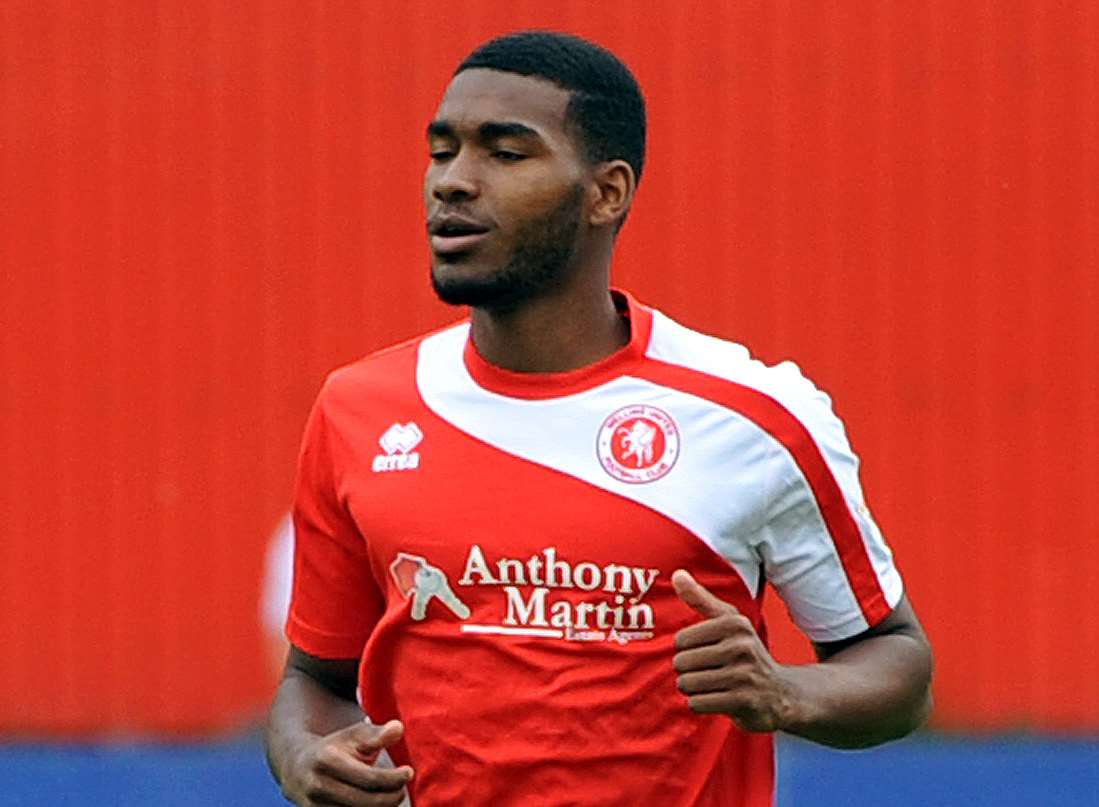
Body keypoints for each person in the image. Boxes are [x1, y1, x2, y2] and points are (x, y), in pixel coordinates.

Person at [264, 30, 933, 807]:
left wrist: (784, 693)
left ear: (605, 193)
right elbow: (313, 680)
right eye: (441, 151)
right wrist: (303, 757)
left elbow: (895, 664)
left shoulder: (751, 413)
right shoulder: (359, 409)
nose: (452, 181)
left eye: (505, 154)